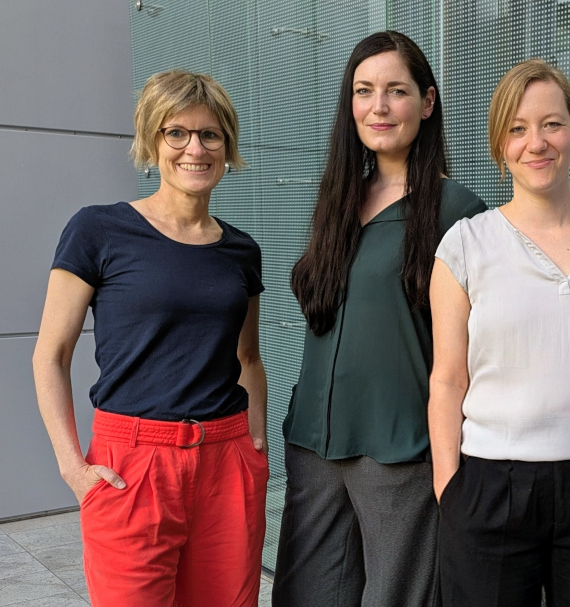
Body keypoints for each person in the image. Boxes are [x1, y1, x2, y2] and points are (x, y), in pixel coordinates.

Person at [32, 70, 268, 607]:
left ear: (226, 145)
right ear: (151, 140)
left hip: (226, 464)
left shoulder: (242, 250)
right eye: (176, 133)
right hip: (131, 464)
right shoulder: (98, 230)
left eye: (210, 134)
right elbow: (51, 355)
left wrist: (255, 447)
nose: (195, 148)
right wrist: (73, 467)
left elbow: (248, 358)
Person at [429, 59, 570, 607]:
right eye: (518, 128)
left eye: (551, 123)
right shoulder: (464, 245)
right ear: (499, 145)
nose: (537, 142)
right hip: (489, 485)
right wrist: (450, 489)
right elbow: (447, 380)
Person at [273, 31, 486, 607]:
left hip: (401, 450)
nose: (379, 106)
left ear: (428, 102)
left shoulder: (459, 212)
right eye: (364, 91)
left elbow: (474, 351)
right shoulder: (338, 199)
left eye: (396, 90)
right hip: (314, 444)